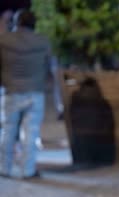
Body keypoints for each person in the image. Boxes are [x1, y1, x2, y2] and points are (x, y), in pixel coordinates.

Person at [0, 10, 59, 179]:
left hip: (11, 91)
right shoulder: (43, 41)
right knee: (31, 133)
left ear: (17, 23)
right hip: (35, 92)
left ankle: (4, 168)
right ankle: (28, 170)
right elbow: (49, 67)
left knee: (8, 131)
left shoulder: (4, 41)